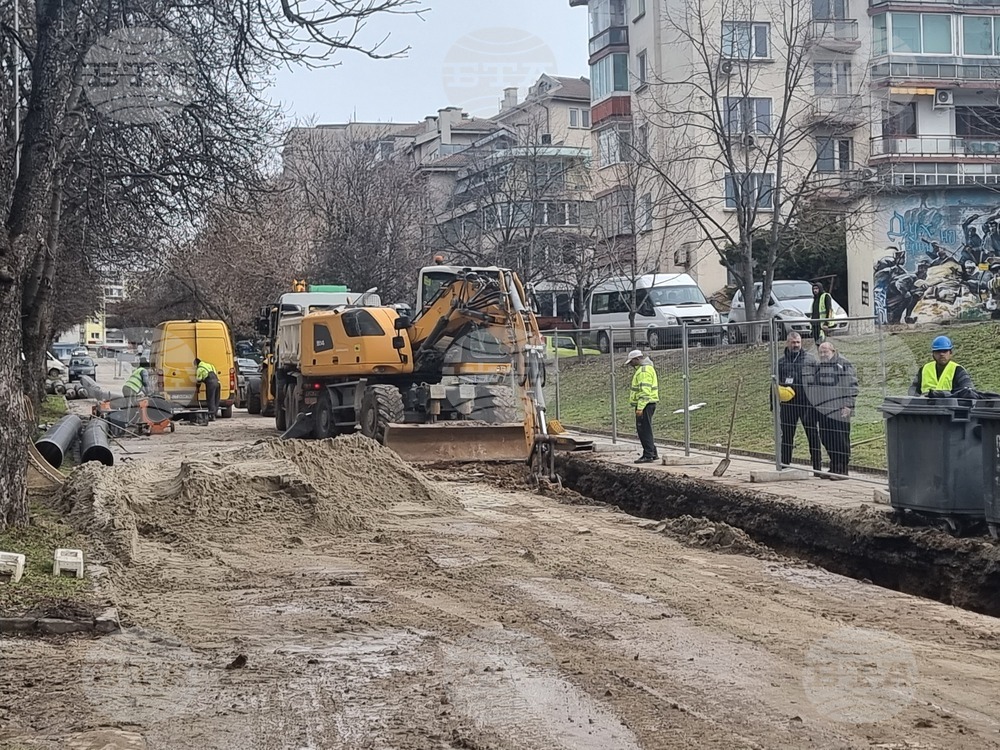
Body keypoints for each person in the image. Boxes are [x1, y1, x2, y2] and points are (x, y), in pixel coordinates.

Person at [806, 342, 858, 479]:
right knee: (827, 439)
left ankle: (842, 469)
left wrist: (848, 405)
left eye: (825, 352)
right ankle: (834, 466)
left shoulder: (843, 364)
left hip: (839, 410)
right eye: (821, 352)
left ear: (833, 351)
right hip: (823, 411)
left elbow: (852, 385)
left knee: (840, 439)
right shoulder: (819, 367)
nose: (823, 355)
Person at [777, 332, 823, 473]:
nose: (796, 345)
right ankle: (785, 465)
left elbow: (818, 381)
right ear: (787, 343)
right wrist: (774, 404)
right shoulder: (781, 362)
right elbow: (774, 384)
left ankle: (817, 467)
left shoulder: (810, 360)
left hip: (807, 404)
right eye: (793, 342)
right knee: (787, 436)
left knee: (812, 434)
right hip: (788, 405)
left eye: (798, 342)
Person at [908, 336, 977, 398]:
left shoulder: (958, 370)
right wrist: (918, 398)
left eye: (945, 351)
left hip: (950, 409)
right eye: (938, 351)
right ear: (933, 354)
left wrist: (942, 394)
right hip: (926, 409)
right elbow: (913, 389)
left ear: (950, 353)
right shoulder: (924, 369)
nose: (941, 354)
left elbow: (967, 391)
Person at [626, 349, 659, 464]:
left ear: (637, 359)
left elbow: (645, 392)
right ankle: (653, 452)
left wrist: (640, 408)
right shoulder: (646, 368)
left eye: (631, 362)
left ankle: (648, 455)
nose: (630, 365)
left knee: (643, 430)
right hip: (648, 403)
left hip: (645, 404)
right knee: (646, 428)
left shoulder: (643, 371)